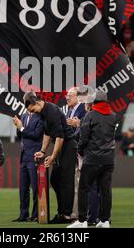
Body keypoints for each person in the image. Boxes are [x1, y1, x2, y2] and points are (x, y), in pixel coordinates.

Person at [24, 92, 77, 224]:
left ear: (36, 103)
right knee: (55, 180)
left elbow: (60, 137)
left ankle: (66, 214)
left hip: (68, 145)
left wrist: (52, 156)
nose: (33, 113)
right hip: (60, 146)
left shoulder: (52, 111)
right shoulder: (42, 113)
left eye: (33, 109)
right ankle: (61, 211)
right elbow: (47, 133)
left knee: (66, 180)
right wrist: (42, 151)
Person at [68, 91, 118, 228]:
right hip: (108, 160)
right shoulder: (113, 116)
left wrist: (80, 151)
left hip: (92, 159)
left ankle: (83, 220)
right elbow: (114, 137)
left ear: (93, 102)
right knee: (106, 190)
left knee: (84, 188)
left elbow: (83, 139)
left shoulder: (90, 115)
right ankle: (105, 220)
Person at [12, 111, 43, 222]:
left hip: (34, 155)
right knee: (23, 188)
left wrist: (22, 127)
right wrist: (18, 126)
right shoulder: (24, 116)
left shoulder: (40, 117)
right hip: (24, 155)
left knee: (35, 187)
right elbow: (20, 135)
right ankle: (23, 214)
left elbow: (36, 135)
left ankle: (36, 215)